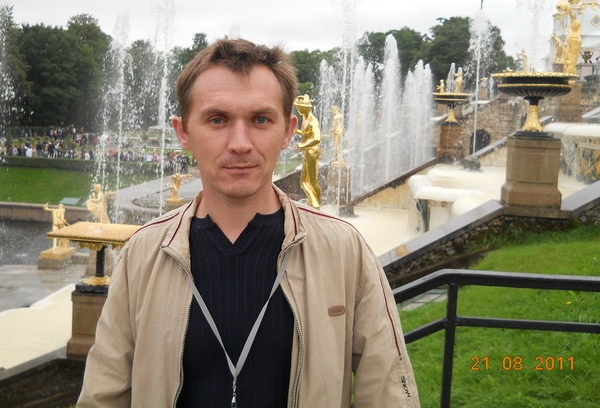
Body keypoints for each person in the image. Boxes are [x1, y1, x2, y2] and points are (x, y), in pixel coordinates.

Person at [77, 38, 420, 407]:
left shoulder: (344, 249)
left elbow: (389, 391)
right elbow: (103, 397)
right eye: (217, 120)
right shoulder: (142, 253)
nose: (240, 144)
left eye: (260, 120)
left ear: (288, 131)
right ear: (183, 132)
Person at [294, 94, 322, 209]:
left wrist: (303, 145)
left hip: (312, 152)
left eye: (299, 107)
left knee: (312, 180)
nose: (298, 109)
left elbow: (317, 138)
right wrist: (298, 131)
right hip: (307, 152)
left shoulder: (312, 120)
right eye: (297, 107)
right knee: (303, 182)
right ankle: (313, 201)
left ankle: (316, 204)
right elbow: (307, 133)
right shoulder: (305, 119)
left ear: (305, 108)